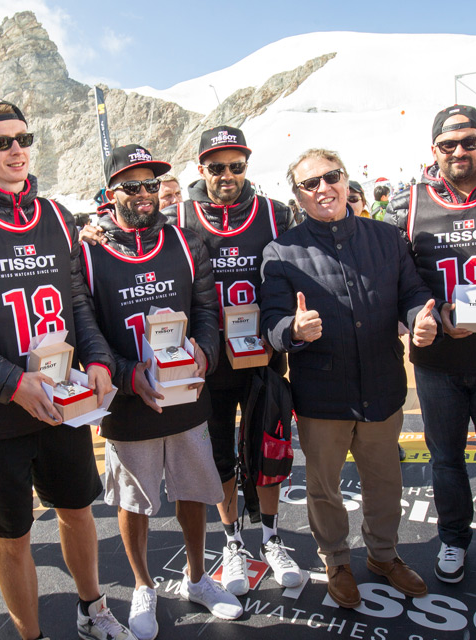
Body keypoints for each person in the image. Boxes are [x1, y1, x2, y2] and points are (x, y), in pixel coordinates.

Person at [0, 99, 131, 640]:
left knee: (78, 510)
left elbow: (77, 302)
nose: (17, 150)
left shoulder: (57, 215)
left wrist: (100, 359)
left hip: (62, 400)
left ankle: (93, 610)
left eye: (23, 139)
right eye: (1, 141)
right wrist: (11, 382)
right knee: (12, 536)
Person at [260, 148, 440, 608]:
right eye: (310, 183)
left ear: (346, 179)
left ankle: (383, 555)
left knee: (385, 482)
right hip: (323, 394)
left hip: (382, 386)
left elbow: (412, 291)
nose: (323, 188)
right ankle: (336, 560)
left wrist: (418, 314)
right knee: (323, 487)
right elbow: (273, 325)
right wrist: (293, 332)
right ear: (297, 196)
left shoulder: (387, 237)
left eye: (331, 176)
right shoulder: (281, 251)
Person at [81, 144, 241, 639]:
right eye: (133, 185)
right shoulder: (85, 249)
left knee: (193, 489)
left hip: (185, 391)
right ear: (112, 194)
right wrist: (130, 376)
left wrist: (206, 356)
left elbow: (208, 313)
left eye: (152, 184)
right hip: (131, 399)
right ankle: (143, 584)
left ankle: (197, 576)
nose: (146, 194)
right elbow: (87, 331)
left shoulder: (187, 241)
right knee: (135, 500)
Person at [386, 104, 476, 587]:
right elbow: (400, 277)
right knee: (446, 458)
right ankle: (452, 537)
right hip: (438, 360)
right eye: (448, 145)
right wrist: (423, 314)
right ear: (434, 150)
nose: (459, 152)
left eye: (469, 141)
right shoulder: (410, 201)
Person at [165, 125, 301, 597]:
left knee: (268, 449)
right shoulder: (178, 217)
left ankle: (271, 535)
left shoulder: (275, 213)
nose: (227, 175)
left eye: (236, 165)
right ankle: (232, 542)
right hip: (210, 360)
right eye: (217, 166)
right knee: (220, 454)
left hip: (261, 353)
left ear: (247, 165)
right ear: (201, 168)